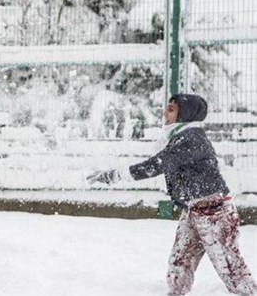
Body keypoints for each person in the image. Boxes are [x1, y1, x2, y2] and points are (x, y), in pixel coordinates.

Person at [87, 94, 257, 296]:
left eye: (171, 109)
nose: (165, 113)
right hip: (194, 209)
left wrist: (113, 176)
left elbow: (155, 165)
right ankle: (176, 292)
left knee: (228, 263)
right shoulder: (179, 137)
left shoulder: (192, 139)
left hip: (214, 212)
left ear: (184, 114)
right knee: (181, 258)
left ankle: (247, 292)